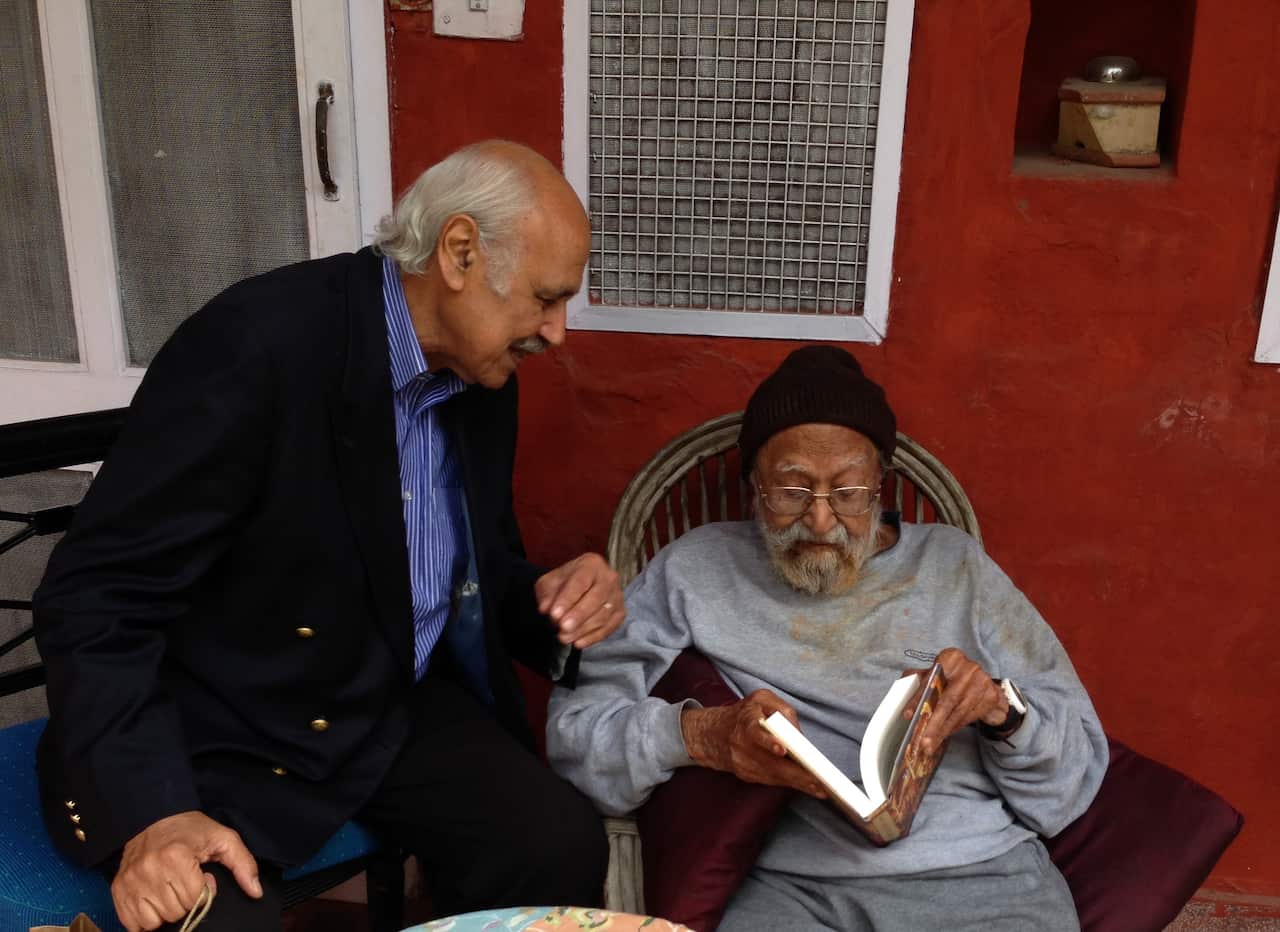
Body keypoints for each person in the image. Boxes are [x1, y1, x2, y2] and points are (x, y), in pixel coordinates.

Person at [34, 140, 621, 932]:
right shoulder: (257, 346)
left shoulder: (483, 376)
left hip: (380, 704)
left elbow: (453, 570)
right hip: (224, 723)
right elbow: (95, 598)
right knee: (211, 918)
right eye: (546, 300)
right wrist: (153, 813)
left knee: (554, 843)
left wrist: (545, 598)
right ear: (458, 254)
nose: (555, 333)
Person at [547, 345, 1109, 931]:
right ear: (753, 488)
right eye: (791, 492)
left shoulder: (955, 567)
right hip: (794, 891)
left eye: (847, 493)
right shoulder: (694, 571)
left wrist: (1001, 713)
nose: (820, 521)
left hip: (982, 877)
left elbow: (1071, 784)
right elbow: (576, 739)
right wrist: (699, 736)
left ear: (880, 487)